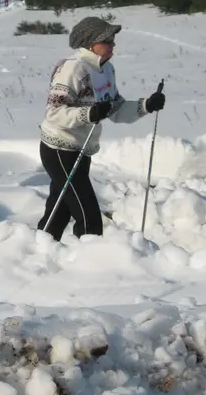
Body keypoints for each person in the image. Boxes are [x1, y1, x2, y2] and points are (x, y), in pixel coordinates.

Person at [37, 16, 166, 241]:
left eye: (112, 40)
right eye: (107, 41)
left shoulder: (106, 70)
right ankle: (89, 256)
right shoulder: (73, 69)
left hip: (82, 149)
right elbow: (54, 112)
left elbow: (115, 109)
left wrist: (146, 105)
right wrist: (88, 114)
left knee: (59, 211)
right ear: (90, 43)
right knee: (89, 217)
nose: (112, 45)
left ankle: (37, 250)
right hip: (59, 148)